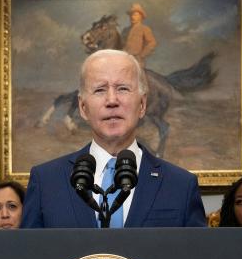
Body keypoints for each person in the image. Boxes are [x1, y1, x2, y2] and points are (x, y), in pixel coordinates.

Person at [20, 49, 205, 229]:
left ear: (142, 105)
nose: (112, 100)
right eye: (100, 90)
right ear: (83, 108)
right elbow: (31, 258)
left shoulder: (181, 185)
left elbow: (194, 258)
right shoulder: (46, 183)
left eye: (123, 89)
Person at [122, 3, 156, 68]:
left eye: (135, 15)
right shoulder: (125, 30)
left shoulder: (145, 29)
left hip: (137, 61)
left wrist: (141, 55)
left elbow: (152, 43)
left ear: (141, 16)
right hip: (124, 59)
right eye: (131, 15)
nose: (132, 17)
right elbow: (121, 44)